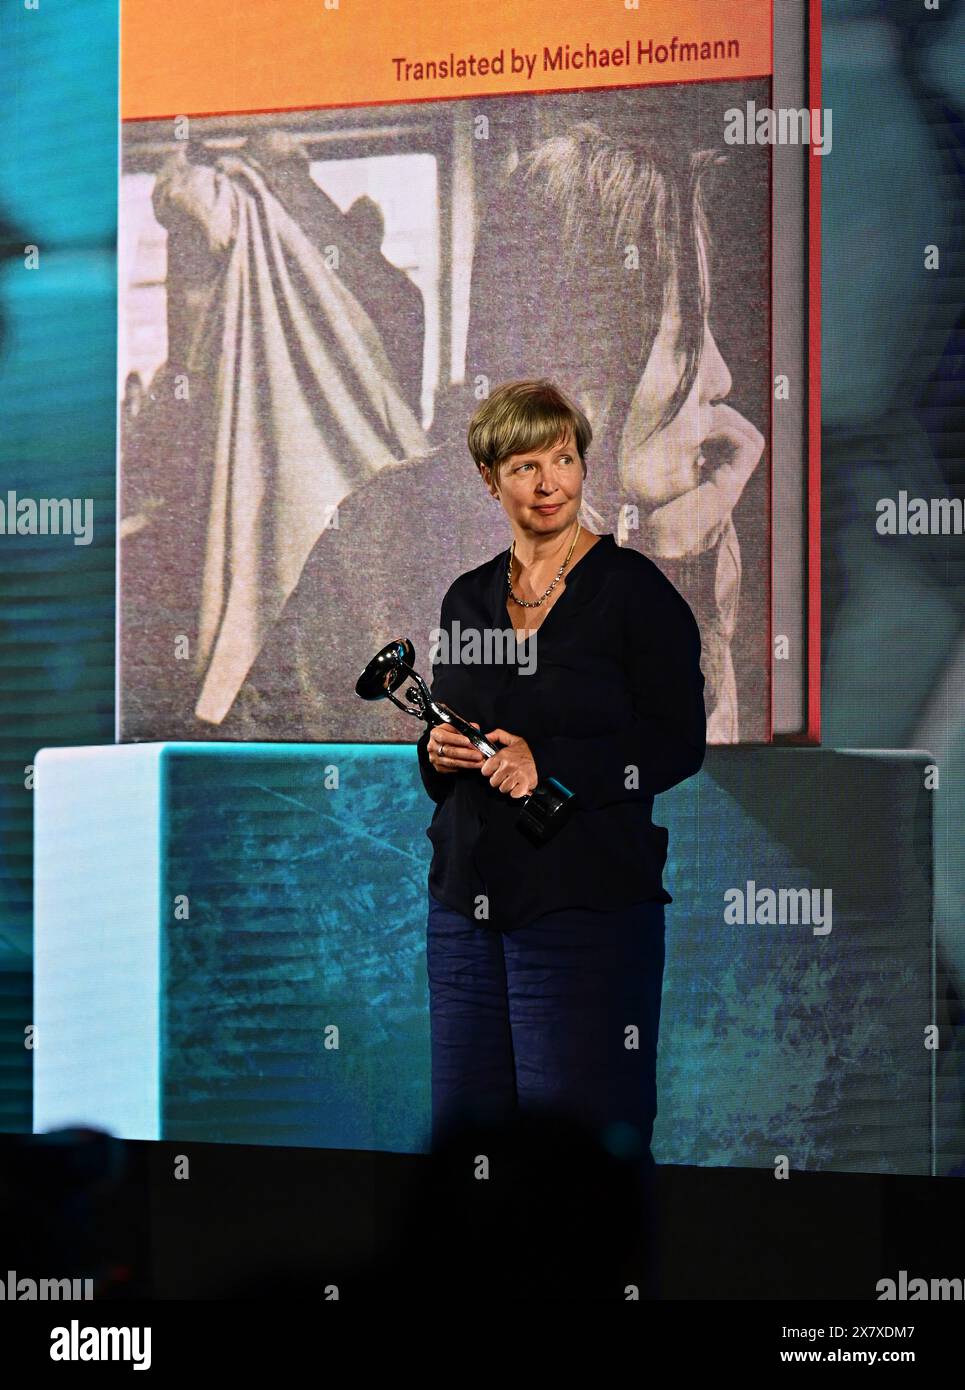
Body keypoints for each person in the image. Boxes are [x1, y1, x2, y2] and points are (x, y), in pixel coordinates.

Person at [416, 378, 706, 1291]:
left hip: (585, 913)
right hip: (465, 912)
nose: (550, 482)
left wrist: (557, 766)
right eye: (525, 465)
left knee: (582, 1161)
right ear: (487, 479)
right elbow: (446, 749)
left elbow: (674, 744)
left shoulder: (632, 592)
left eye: (565, 459)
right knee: (471, 1157)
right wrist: (437, 751)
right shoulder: (467, 602)